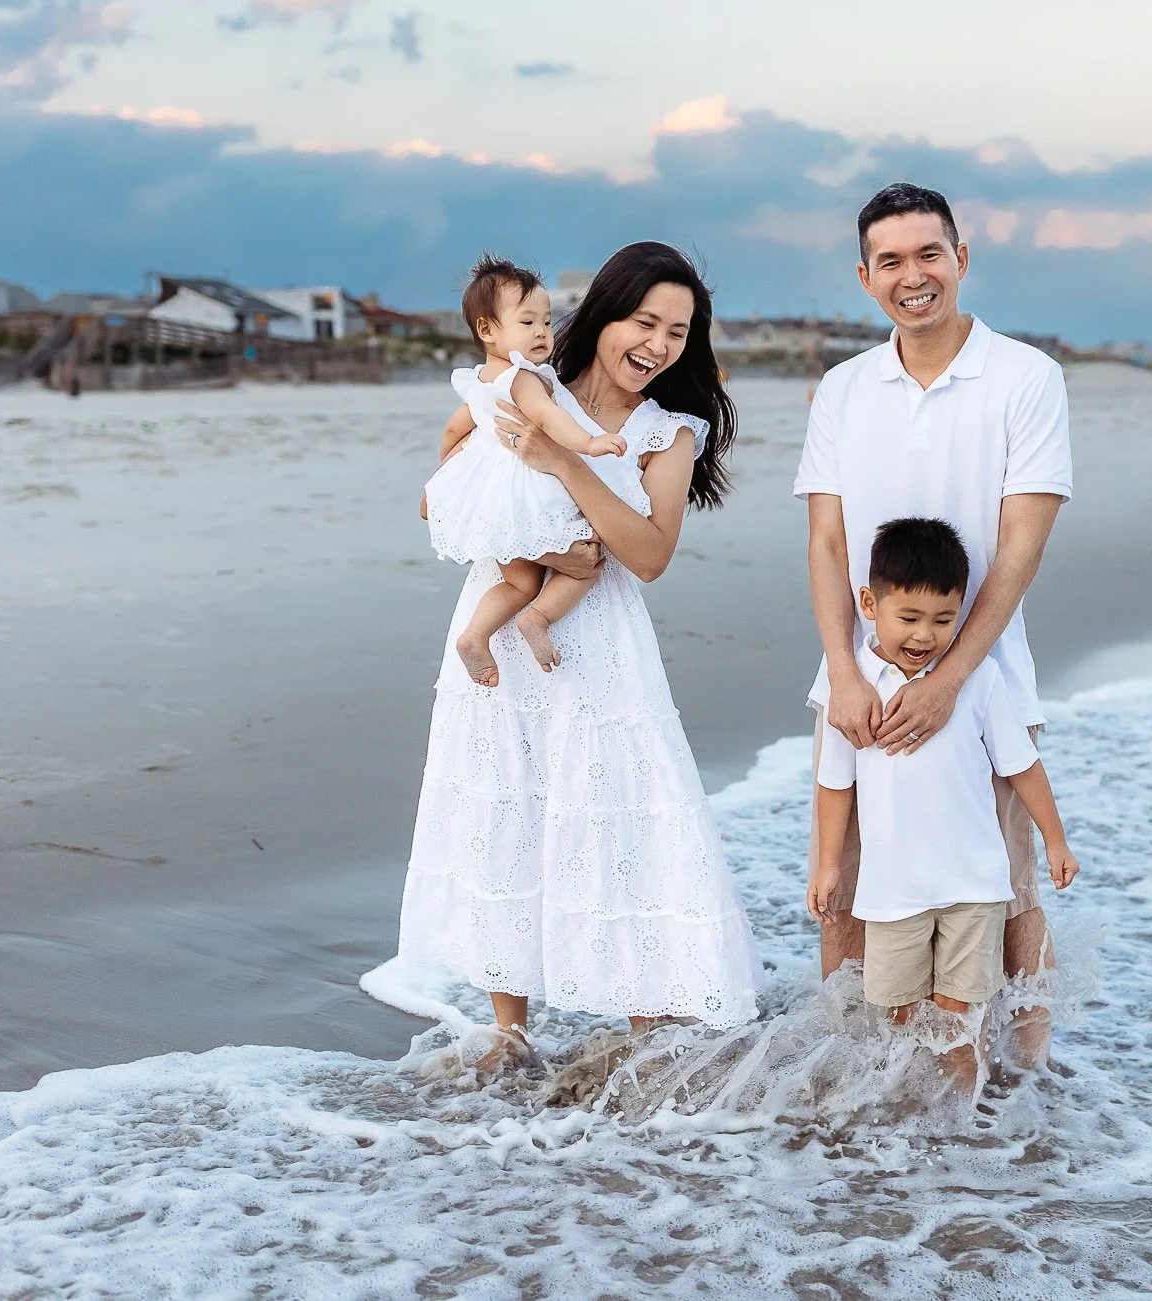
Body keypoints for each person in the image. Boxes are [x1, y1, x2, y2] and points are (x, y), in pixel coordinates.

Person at [365, 242, 762, 1060]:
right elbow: (442, 502)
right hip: (498, 634)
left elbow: (648, 555)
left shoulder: (667, 431)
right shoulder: (525, 389)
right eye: (644, 321)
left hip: (602, 644)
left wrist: (560, 467)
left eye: (678, 333)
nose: (656, 345)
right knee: (502, 803)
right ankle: (510, 1035)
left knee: (623, 821)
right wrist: (555, 552)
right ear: (604, 315)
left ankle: (645, 1039)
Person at [795, 182, 1073, 1064]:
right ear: (865, 276)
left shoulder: (1027, 377)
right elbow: (828, 537)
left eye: (929, 254)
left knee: (1005, 886)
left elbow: (1022, 544)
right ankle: (860, 1075)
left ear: (961, 257)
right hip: (859, 678)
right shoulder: (842, 389)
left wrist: (951, 680)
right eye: (891, 261)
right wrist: (843, 665)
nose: (912, 276)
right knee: (850, 890)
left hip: (987, 675)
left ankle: (1025, 1083)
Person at [807, 519, 1077, 1087]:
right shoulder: (851, 687)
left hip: (972, 888)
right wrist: (827, 865)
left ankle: (965, 1139)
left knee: (960, 1023)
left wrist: (1055, 839)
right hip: (892, 893)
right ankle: (909, 1134)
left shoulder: (976, 682)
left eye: (944, 619)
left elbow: (1020, 765)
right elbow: (836, 783)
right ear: (868, 602)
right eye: (908, 617)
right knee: (902, 1021)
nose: (924, 635)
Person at [423, 256, 628, 686]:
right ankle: (536, 619)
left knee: (518, 581)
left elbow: (454, 429)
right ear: (487, 330)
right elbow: (550, 419)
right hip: (524, 493)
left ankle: (475, 636)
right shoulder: (523, 378)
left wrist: (441, 479)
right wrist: (590, 443)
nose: (541, 332)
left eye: (547, 322)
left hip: (490, 500)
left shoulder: (479, 380)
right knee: (587, 564)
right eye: (528, 321)